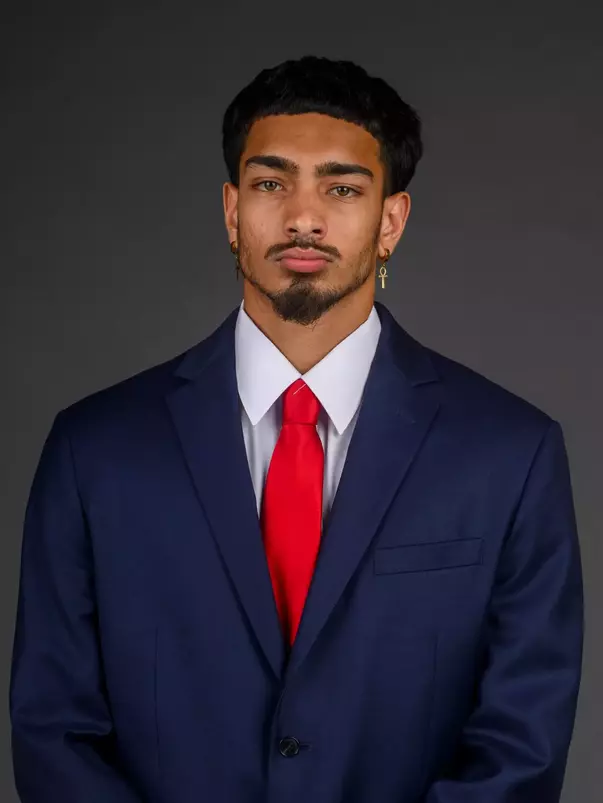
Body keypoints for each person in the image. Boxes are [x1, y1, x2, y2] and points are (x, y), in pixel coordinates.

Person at [9, 55, 583, 803]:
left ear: (390, 222)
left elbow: (519, 744)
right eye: (270, 183)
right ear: (229, 210)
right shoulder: (94, 450)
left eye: (341, 188)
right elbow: (54, 730)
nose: (302, 217)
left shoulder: (510, 453)